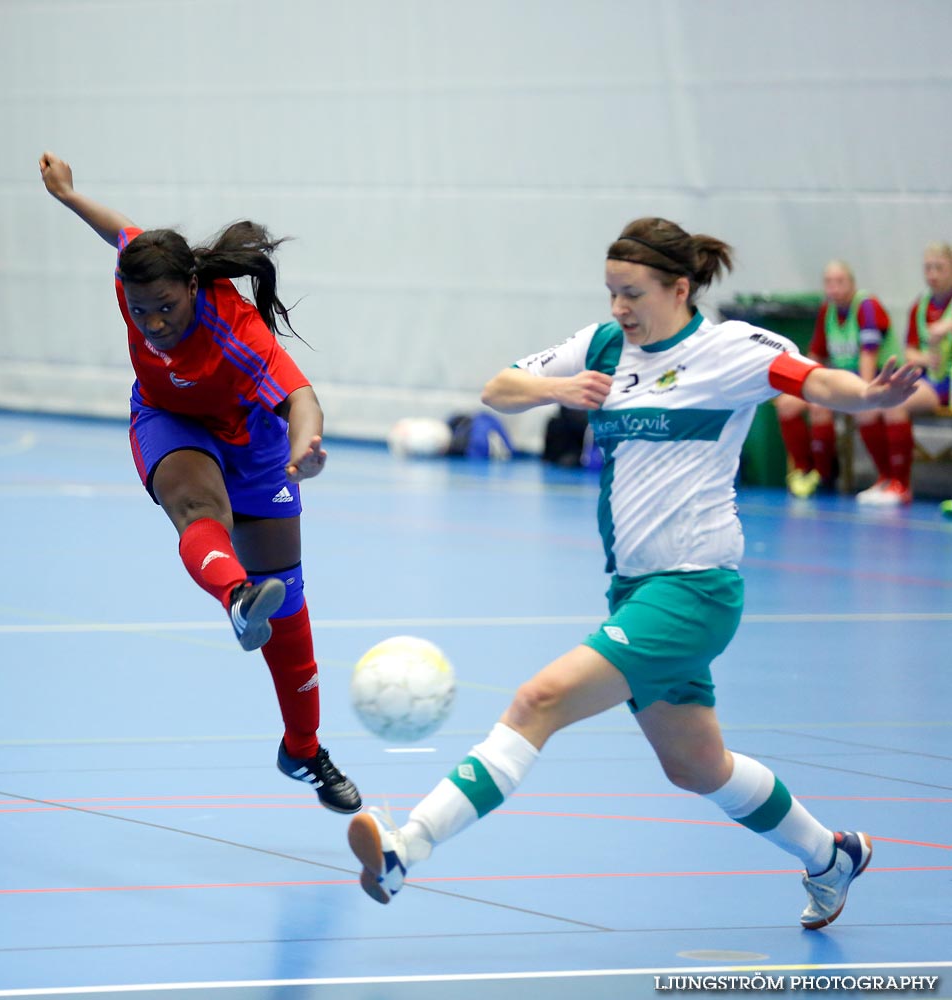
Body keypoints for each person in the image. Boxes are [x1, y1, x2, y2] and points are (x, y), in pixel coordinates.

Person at [348, 217, 923, 928]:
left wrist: (871, 397)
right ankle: (830, 856)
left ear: (680, 288)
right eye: (612, 292)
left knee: (540, 699)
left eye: (633, 293)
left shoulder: (733, 349)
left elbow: (817, 380)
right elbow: (498, 388)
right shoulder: (602, 345)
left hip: (696, 587)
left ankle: (409, 845)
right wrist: (556, 391)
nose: (620, 307)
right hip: (634, 589)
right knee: (696, 766)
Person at [38, 151, 360, 813]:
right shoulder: (139, 276)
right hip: (171, 420)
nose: (152, 324)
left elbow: (301, 397)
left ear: (190, 285)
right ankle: (237, 596)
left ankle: (303, 748)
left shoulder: (233, 329)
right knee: (196, 506)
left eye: (164, 308)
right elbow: (121, 229)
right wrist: (69, 195)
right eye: (140, 311)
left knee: (292, 610)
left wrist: (310, 447)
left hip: (257, 442)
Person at [772, 261, 896, 500]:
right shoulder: (827, 310)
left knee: (832, 407)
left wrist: (865, 393)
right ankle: (804, 470)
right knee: (787, 404)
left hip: (868, 381)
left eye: (840, 282)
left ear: (852, 283)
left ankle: (831, 476)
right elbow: (816, 354)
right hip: (838, 382)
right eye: (829, 283)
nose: (834, 288)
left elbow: (868, 354)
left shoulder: (867, 306)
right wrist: (799, 384)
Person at [901, 242, 952, 514]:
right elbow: (910, 349)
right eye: (928, 268)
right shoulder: (919, 306)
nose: (932, 274)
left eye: (939, 268)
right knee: (894, 400)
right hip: (935, 380)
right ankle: (896, 482)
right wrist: (924, 359)